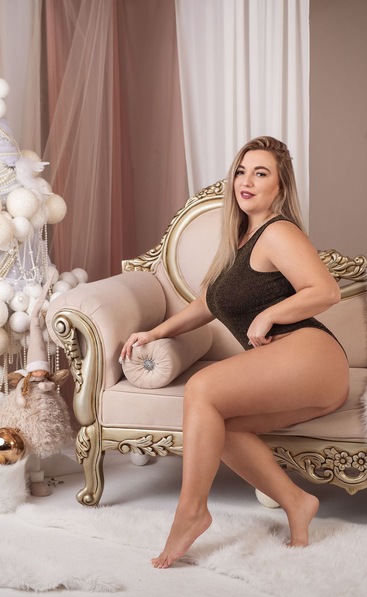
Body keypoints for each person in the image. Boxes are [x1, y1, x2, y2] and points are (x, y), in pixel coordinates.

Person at [120, 135, 349, 569]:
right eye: (241, 172)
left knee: (201, 387)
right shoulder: (239, 242)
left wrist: (269, 315)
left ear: (280, 186)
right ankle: (297, 503)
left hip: (312, 354)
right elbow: (206, 305)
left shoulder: (278, 231)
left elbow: (326, 290)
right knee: (218, 427)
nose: (247, 181)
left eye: (260, 173)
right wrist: (154, 332)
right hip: (291, 365)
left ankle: (191, 512)